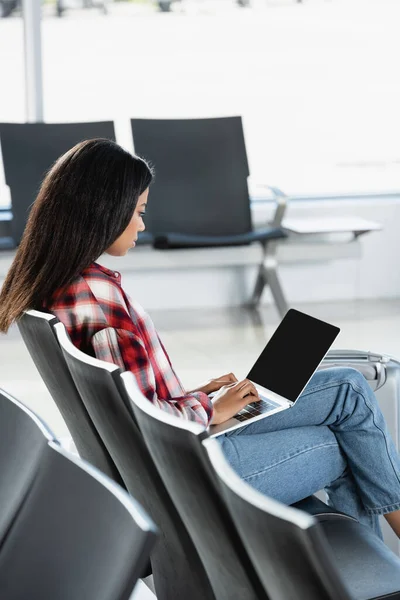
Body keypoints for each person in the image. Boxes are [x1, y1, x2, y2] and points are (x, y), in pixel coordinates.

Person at [1, 138, 400, 540]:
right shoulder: (100, 301)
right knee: (342, 444)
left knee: (346, 386)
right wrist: (208, 411)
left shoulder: (61, 287)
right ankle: (376, 574)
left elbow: (127, 401)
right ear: (103, 211)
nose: (142, 224)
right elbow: (146, 422)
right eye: (138, 212)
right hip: (189, 466)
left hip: (173, 447)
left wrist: (199, 396)